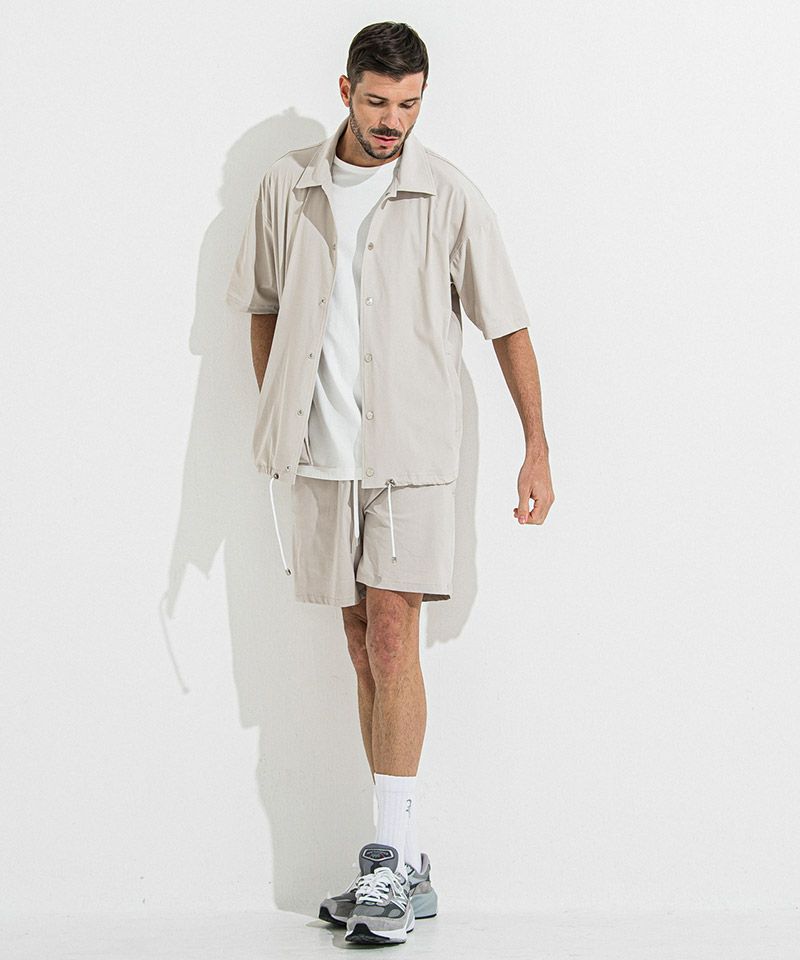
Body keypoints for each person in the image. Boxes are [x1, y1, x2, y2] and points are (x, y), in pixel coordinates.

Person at [225, 21, 554, 946]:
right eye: (376, 102)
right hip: (321, 460)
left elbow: (508, 324)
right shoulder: (288, 187)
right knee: (358, 641)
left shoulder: (447, 195)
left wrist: (536, 446)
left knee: (393, 640)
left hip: (410, 458)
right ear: (345, 89)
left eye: (408, 105)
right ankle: (403, 864)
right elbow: (262, 307)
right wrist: (286, 408)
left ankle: (391, 860)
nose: (391, 122)